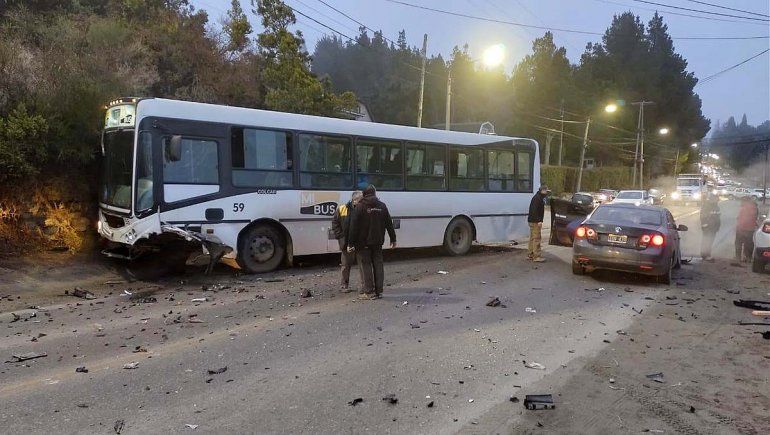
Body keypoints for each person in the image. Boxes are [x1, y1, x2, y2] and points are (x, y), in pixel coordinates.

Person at [347, 184, 397, 300]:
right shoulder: (382, 206)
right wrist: (393, 239)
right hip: (378, 242)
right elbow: (389, 224)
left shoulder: (359, 207)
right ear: (375, 193)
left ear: (364, 194)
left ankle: (369, 292)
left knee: (366, 266)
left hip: (363, 243)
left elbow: (353, 227)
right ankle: (379, 291)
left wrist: (350, 243)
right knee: (378, 265)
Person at [331, 191, 363, 292]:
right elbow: (335, 223)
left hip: (359, 242)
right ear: (355, 200)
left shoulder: (362, 209)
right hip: (346, 242)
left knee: (362, 264)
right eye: (361, 200)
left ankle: (364, 286)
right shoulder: (342, 209)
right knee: (345, 265)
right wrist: (340, 237)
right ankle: (344, 285)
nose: (363, 202)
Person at [527, 185, 549, 262]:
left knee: (532, 238)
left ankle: (530, 254)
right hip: (535, 221)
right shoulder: (538, 198)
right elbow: (534, 210)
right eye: (546, 191)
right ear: (542, 190)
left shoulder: (537, 197)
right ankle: (537, 256)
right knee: (537, 238)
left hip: (531, 220)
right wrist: (539, 220)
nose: (546, 192)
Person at [735, 196, 758, 262]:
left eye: (742, 201)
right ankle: (748, 258)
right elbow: (755, 217)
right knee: (749, 243)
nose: (741, 202)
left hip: (742, 228)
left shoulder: (744, 207)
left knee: (738, 243)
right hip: (750, 228)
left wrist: (739, 225)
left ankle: (738, 257)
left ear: (745, 201)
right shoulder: (754, 207)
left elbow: (742, 218)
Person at [699, 193, 721, 261]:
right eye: (716, 199)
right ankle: (705, 255)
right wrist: (705, 224)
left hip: (713, 227)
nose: (717, 200)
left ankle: (707, 254)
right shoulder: (706, 206)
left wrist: (717, 226)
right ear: (712, 199)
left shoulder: (716, 206)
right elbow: (703, 216)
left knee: (710, 241)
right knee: (707, 241)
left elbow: (718, 217)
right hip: (708, 227)